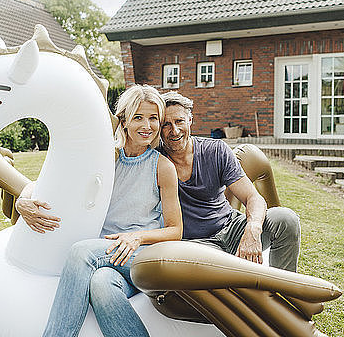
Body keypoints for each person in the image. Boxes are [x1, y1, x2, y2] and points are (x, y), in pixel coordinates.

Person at [16, 85, 182, 337]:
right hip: (108, 254)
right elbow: (46, 182)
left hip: (142, 255)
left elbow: (175, 230)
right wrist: (22, 200)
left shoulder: (162, 167)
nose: (147, 125)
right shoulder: (106, 158)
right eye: (138, 117)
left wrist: (137, 237)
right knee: (101, 283)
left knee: (81, 251)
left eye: (153, 118)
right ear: (123, 121)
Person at [158, 91, 300, 272]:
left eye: (179, 121)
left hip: (232, 229)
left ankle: (283, 291)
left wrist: (253, 229)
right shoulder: (155, 161)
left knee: (285, 219)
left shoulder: (216, 150)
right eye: (166, 125)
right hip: (196, 247)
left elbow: (252, 197)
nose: (174, 130)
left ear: (190, 121)